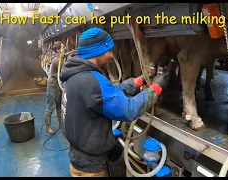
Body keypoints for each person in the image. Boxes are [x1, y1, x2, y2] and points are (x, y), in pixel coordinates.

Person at [59, 27, 170, 177]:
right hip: (91, 167)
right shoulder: (92, 81)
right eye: (108, 50)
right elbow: (129, 109)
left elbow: (108, 92)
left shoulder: (76, 75)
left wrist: (138, 81)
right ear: (96, 51)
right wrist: (156, 88)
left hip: (78, 157)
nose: (112, 55)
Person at [44, 41, 64, 135]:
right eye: (63, 47)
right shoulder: (57, 60)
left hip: (58, 83)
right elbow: (64, 71)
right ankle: (47, 128)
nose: (64, 49)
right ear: (58, 50)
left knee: (59, 105)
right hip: (52, 84)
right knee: (51, 106)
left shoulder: (59, 57)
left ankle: (61, 124)